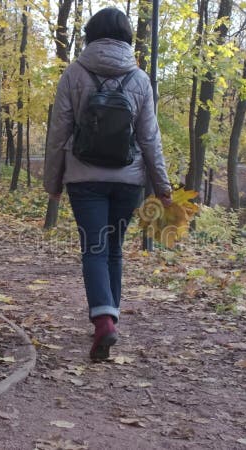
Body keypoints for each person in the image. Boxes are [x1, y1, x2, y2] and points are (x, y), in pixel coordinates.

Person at [43, 7, 171, 361]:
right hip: (127, 181)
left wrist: (53, 181)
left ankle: (104, 322)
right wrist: (162, 184)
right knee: (114, 249)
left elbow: (59, 133)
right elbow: (149, 138)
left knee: (94, 248)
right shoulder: (140, 79)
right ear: (127, 37)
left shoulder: (74, 73)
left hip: (85, 179)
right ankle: (109, 319)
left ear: (90, 35)